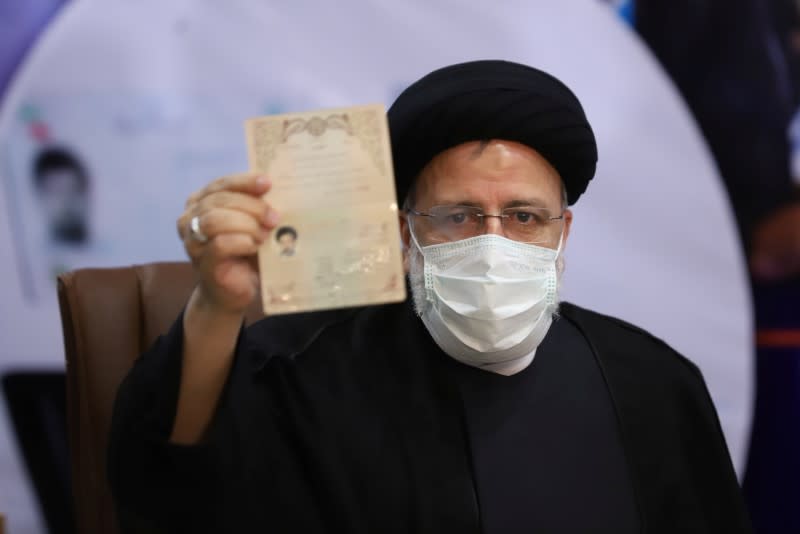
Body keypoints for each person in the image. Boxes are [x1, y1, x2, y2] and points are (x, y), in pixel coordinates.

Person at [108, 60, 751, 533]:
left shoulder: (652, 383)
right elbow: (171, 485)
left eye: (524, 216)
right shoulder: (306, 369)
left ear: (563, 232)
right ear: (403, 230)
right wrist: (218, 305)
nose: (493, 240)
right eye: (459, 215)